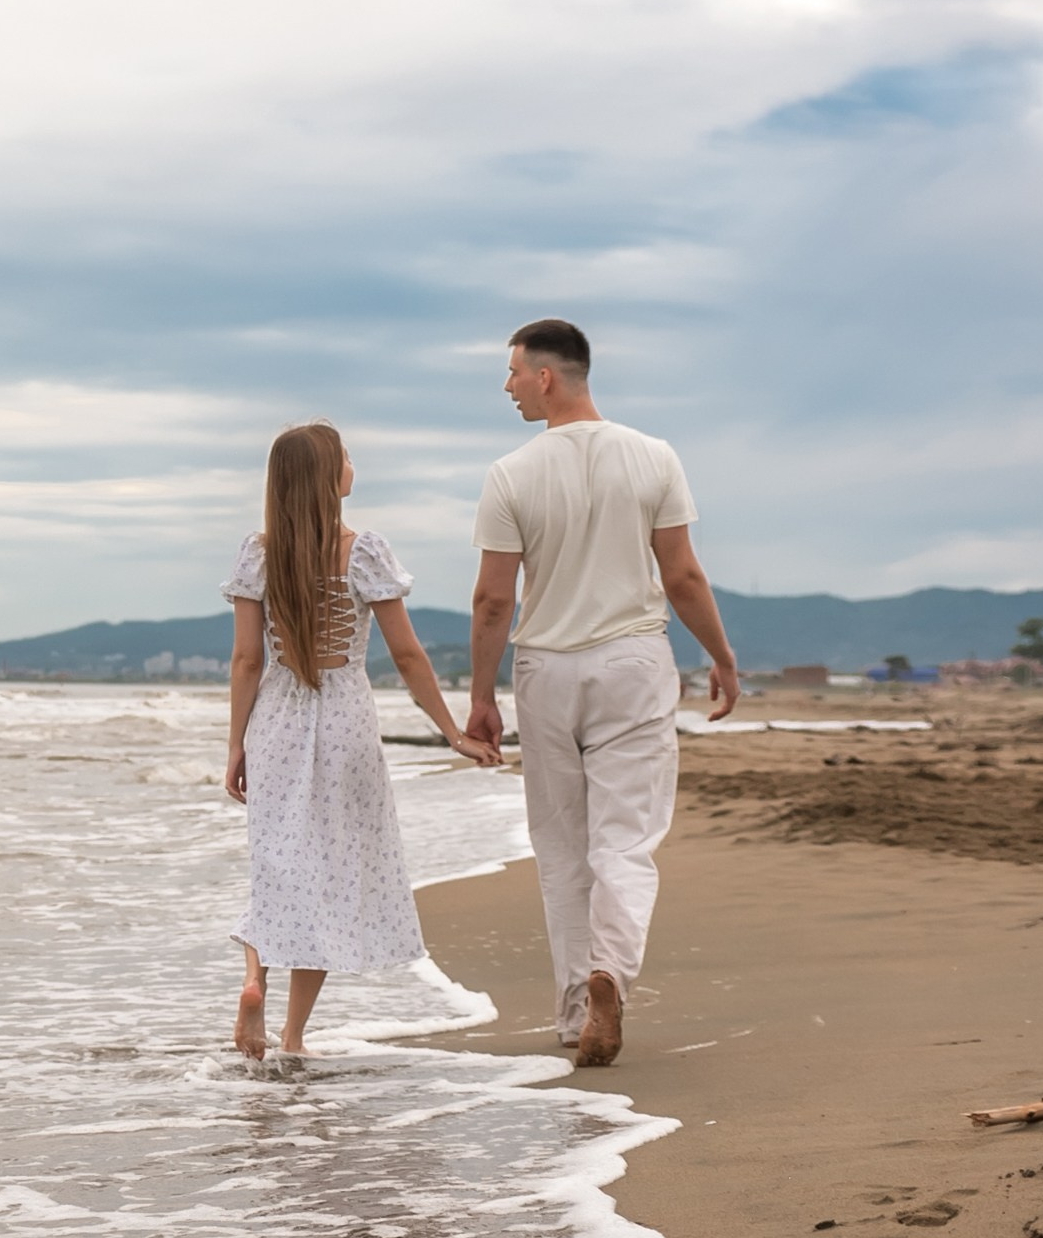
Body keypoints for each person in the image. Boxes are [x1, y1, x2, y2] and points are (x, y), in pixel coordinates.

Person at [464, 319, 739, 1072]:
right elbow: (682, 575)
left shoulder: (510, 473)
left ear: (546, 377)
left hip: (546, 667)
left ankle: (572, 1010)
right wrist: (721, 655)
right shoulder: (654, 457)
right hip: (631, 661)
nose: (509, 384)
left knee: (562, 847)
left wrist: (482, 695)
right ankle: (610, 972)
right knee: (626, 837)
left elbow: (494, 599)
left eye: (514, 371)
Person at [223, 421, 495, 1062]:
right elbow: (406, 654)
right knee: (326, 876)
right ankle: (292, 1036)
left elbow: (244, 661)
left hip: (278, 722)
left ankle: (255, 978)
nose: (353, 466)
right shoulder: (362, 550)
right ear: (328, 478)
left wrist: (236, 745)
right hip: (345, 718)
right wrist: (450, 730)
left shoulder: (258, 553)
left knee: (278, 864)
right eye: (347, 458)